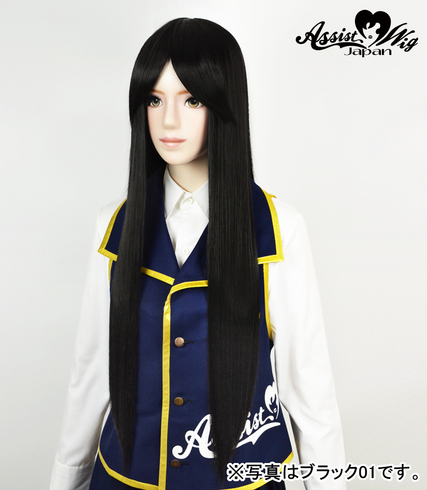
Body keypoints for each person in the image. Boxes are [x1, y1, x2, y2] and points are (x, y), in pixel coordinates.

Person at [50, 18, 346, 490]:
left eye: (192, 100)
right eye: (154, 99)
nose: (168, 121)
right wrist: (66, 479)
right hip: (126, 479)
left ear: (225, 104)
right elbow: (91, 373)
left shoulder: (278, 228)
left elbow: (308, 388)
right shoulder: (114, 226)